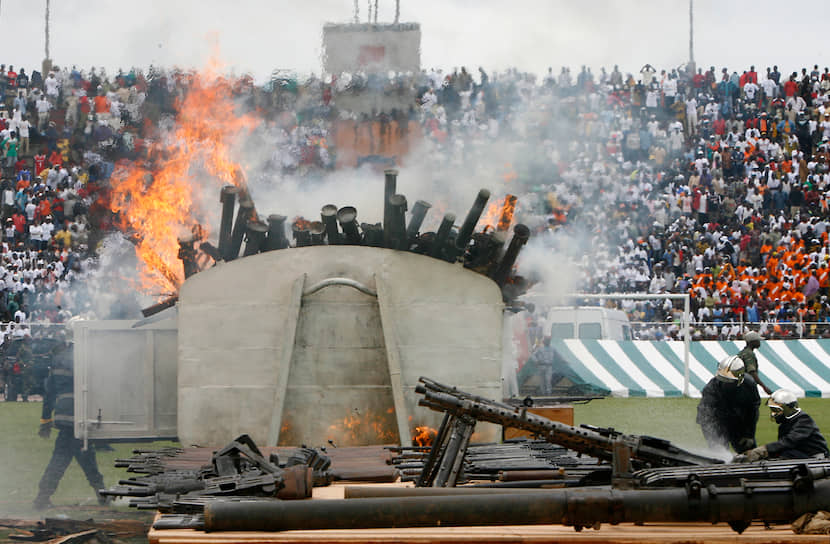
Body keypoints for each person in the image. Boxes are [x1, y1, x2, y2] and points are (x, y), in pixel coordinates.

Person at [33, 325, 107, 510]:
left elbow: (49, 394)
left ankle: (102, 495)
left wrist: (45, 421)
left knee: (79, 457)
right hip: (79, 416)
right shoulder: (82, 358)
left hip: (64, 417)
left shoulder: (59, 360)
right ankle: (102, 494)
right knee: (69, 459)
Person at [735, 389, 829, 462]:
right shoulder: (785, 424)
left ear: (787, 408)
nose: (773, 414)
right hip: (799, 453)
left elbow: (789, 441)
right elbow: (783, 446)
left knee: (786, 454)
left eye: (775, 410)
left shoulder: (804, 421)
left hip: (816, 458)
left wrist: (763, 450)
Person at [696, 355, 760, 453]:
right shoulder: (711, 389)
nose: (725, 383)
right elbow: (706, 417)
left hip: (738, 422)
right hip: (716, 421)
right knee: (720, 453)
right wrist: (715, 442)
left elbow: (752, 411)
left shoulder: (749, 385)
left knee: (749, 452)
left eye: (729, 380)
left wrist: (749, 435)